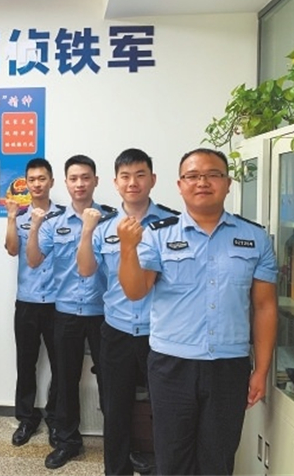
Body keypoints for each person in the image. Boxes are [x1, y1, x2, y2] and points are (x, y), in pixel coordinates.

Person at [117, 148, 278, 475]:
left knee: (218, 459)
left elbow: (264, 306)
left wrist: (261, 370)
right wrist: (127, 249)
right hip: (171, 365)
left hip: (228, 366)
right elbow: (135, 291)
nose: (202, 182)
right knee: (172, 458)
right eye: (192, 176)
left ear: (228, 183)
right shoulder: (159, 235)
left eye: (213, 174)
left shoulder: (254, 237)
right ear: (180, 185)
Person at [77, 148, 179, 475]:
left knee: (167, 411)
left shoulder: (172, 224)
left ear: (153, 179)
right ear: (115, 182)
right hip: (116, 331)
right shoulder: (104, 226)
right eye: (125, 176)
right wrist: (86, 231)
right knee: (115, 410)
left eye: (139, 175)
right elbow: (86, 270)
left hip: (160, 334)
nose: (132, 182)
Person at [26, 154, 113, 470]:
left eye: (85, 177)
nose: (80, 184)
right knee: (65, 380)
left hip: (104, 314)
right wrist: (34, 227)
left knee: (112, 382)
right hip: (64, 312)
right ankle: (67, 442)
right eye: (74, 178)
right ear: (65, 183)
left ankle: (118, 445)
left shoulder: (111, 220)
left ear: (96, 181)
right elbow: (33, 260)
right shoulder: (54, 222)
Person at [4, 157, 63, 448]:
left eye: (42, 179)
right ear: (25, 184)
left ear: (51, 181)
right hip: (27, 300)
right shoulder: (21, 216)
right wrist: (11, 218)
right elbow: (11, 249)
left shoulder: (64, 217)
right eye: (32, 180)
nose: (37, 184)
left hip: (58, 303)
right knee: (26, 363)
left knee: (61, 366)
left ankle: (56, 417)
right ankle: (27, 418)